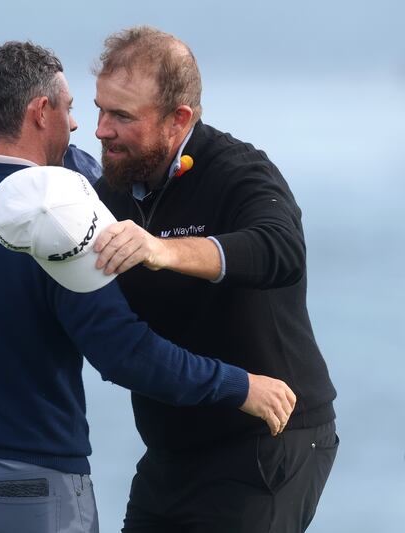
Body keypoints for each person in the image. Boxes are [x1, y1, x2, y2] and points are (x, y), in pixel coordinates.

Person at [0, 41, 295, 533]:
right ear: (41, 112)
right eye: (70, 108)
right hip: (28, 493)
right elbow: (122, 353)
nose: (79, 126)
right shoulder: (64, 227)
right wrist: (238, 385)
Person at [90, 26, 338, 532]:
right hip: (171, 452)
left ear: (179, 118)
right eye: (100, 110)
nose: (100, 130)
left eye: (122, 116)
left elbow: (280, 248)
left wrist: (163, 249)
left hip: (269, 437)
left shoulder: (238, 171)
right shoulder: (110, 191)